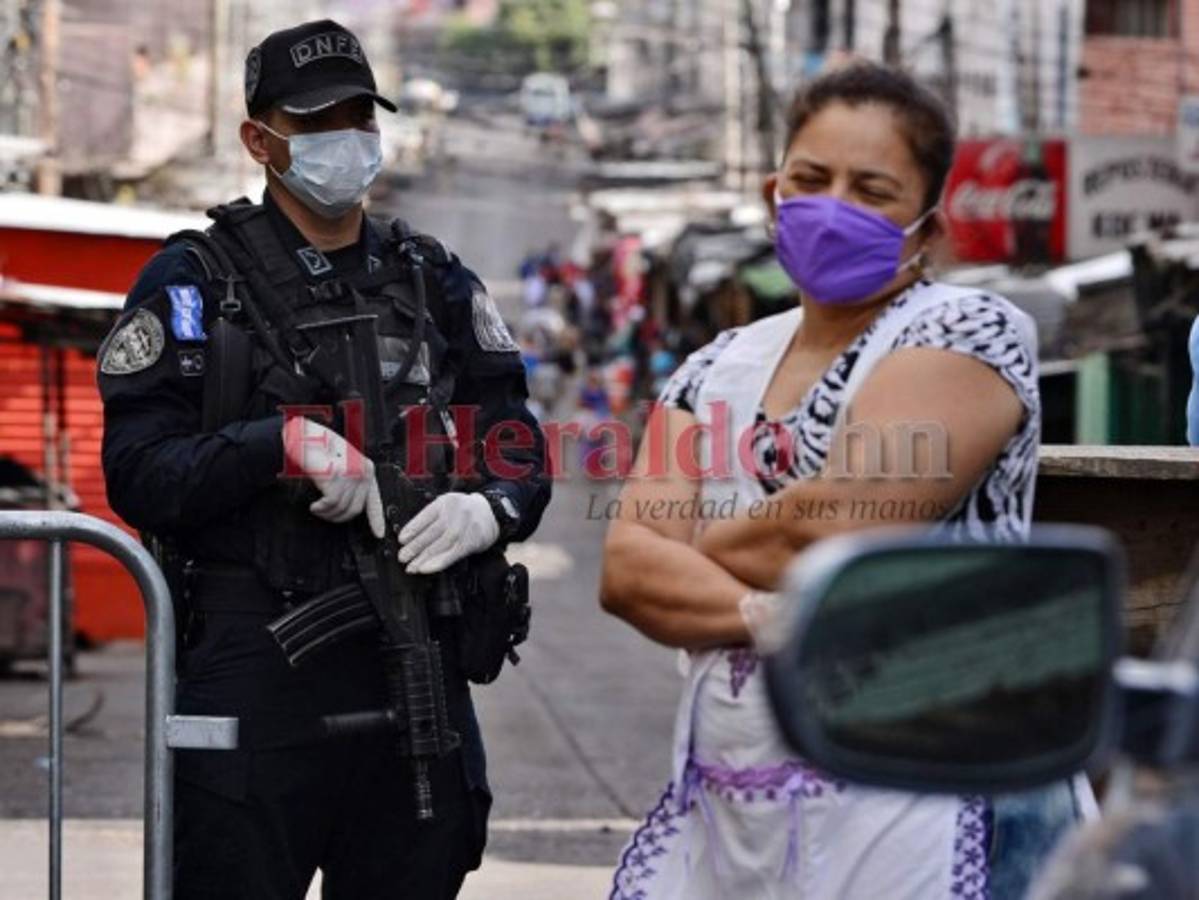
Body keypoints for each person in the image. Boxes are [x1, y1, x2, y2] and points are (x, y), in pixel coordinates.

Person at [600, 63, 1091, 900]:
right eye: (811, 180)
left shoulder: (967, 331)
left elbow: (825, 527)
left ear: (928, 226)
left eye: (872, 190)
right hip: (743, 803)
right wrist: (775, 612)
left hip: (938, 789)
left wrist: (693, 550)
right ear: (772, 191)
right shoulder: (716, 365)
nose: (834, 207)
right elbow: (628, 572)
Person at [98, 19, 549, 899]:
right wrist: (279, 447)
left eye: (358, 116)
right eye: (316, 123)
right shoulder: (195, 283)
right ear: (259, 140)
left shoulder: (430, 278)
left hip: (418, 660)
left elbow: (517, 435)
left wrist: (490, 507)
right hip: (259, 666)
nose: (345, 138)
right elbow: (139, 472)